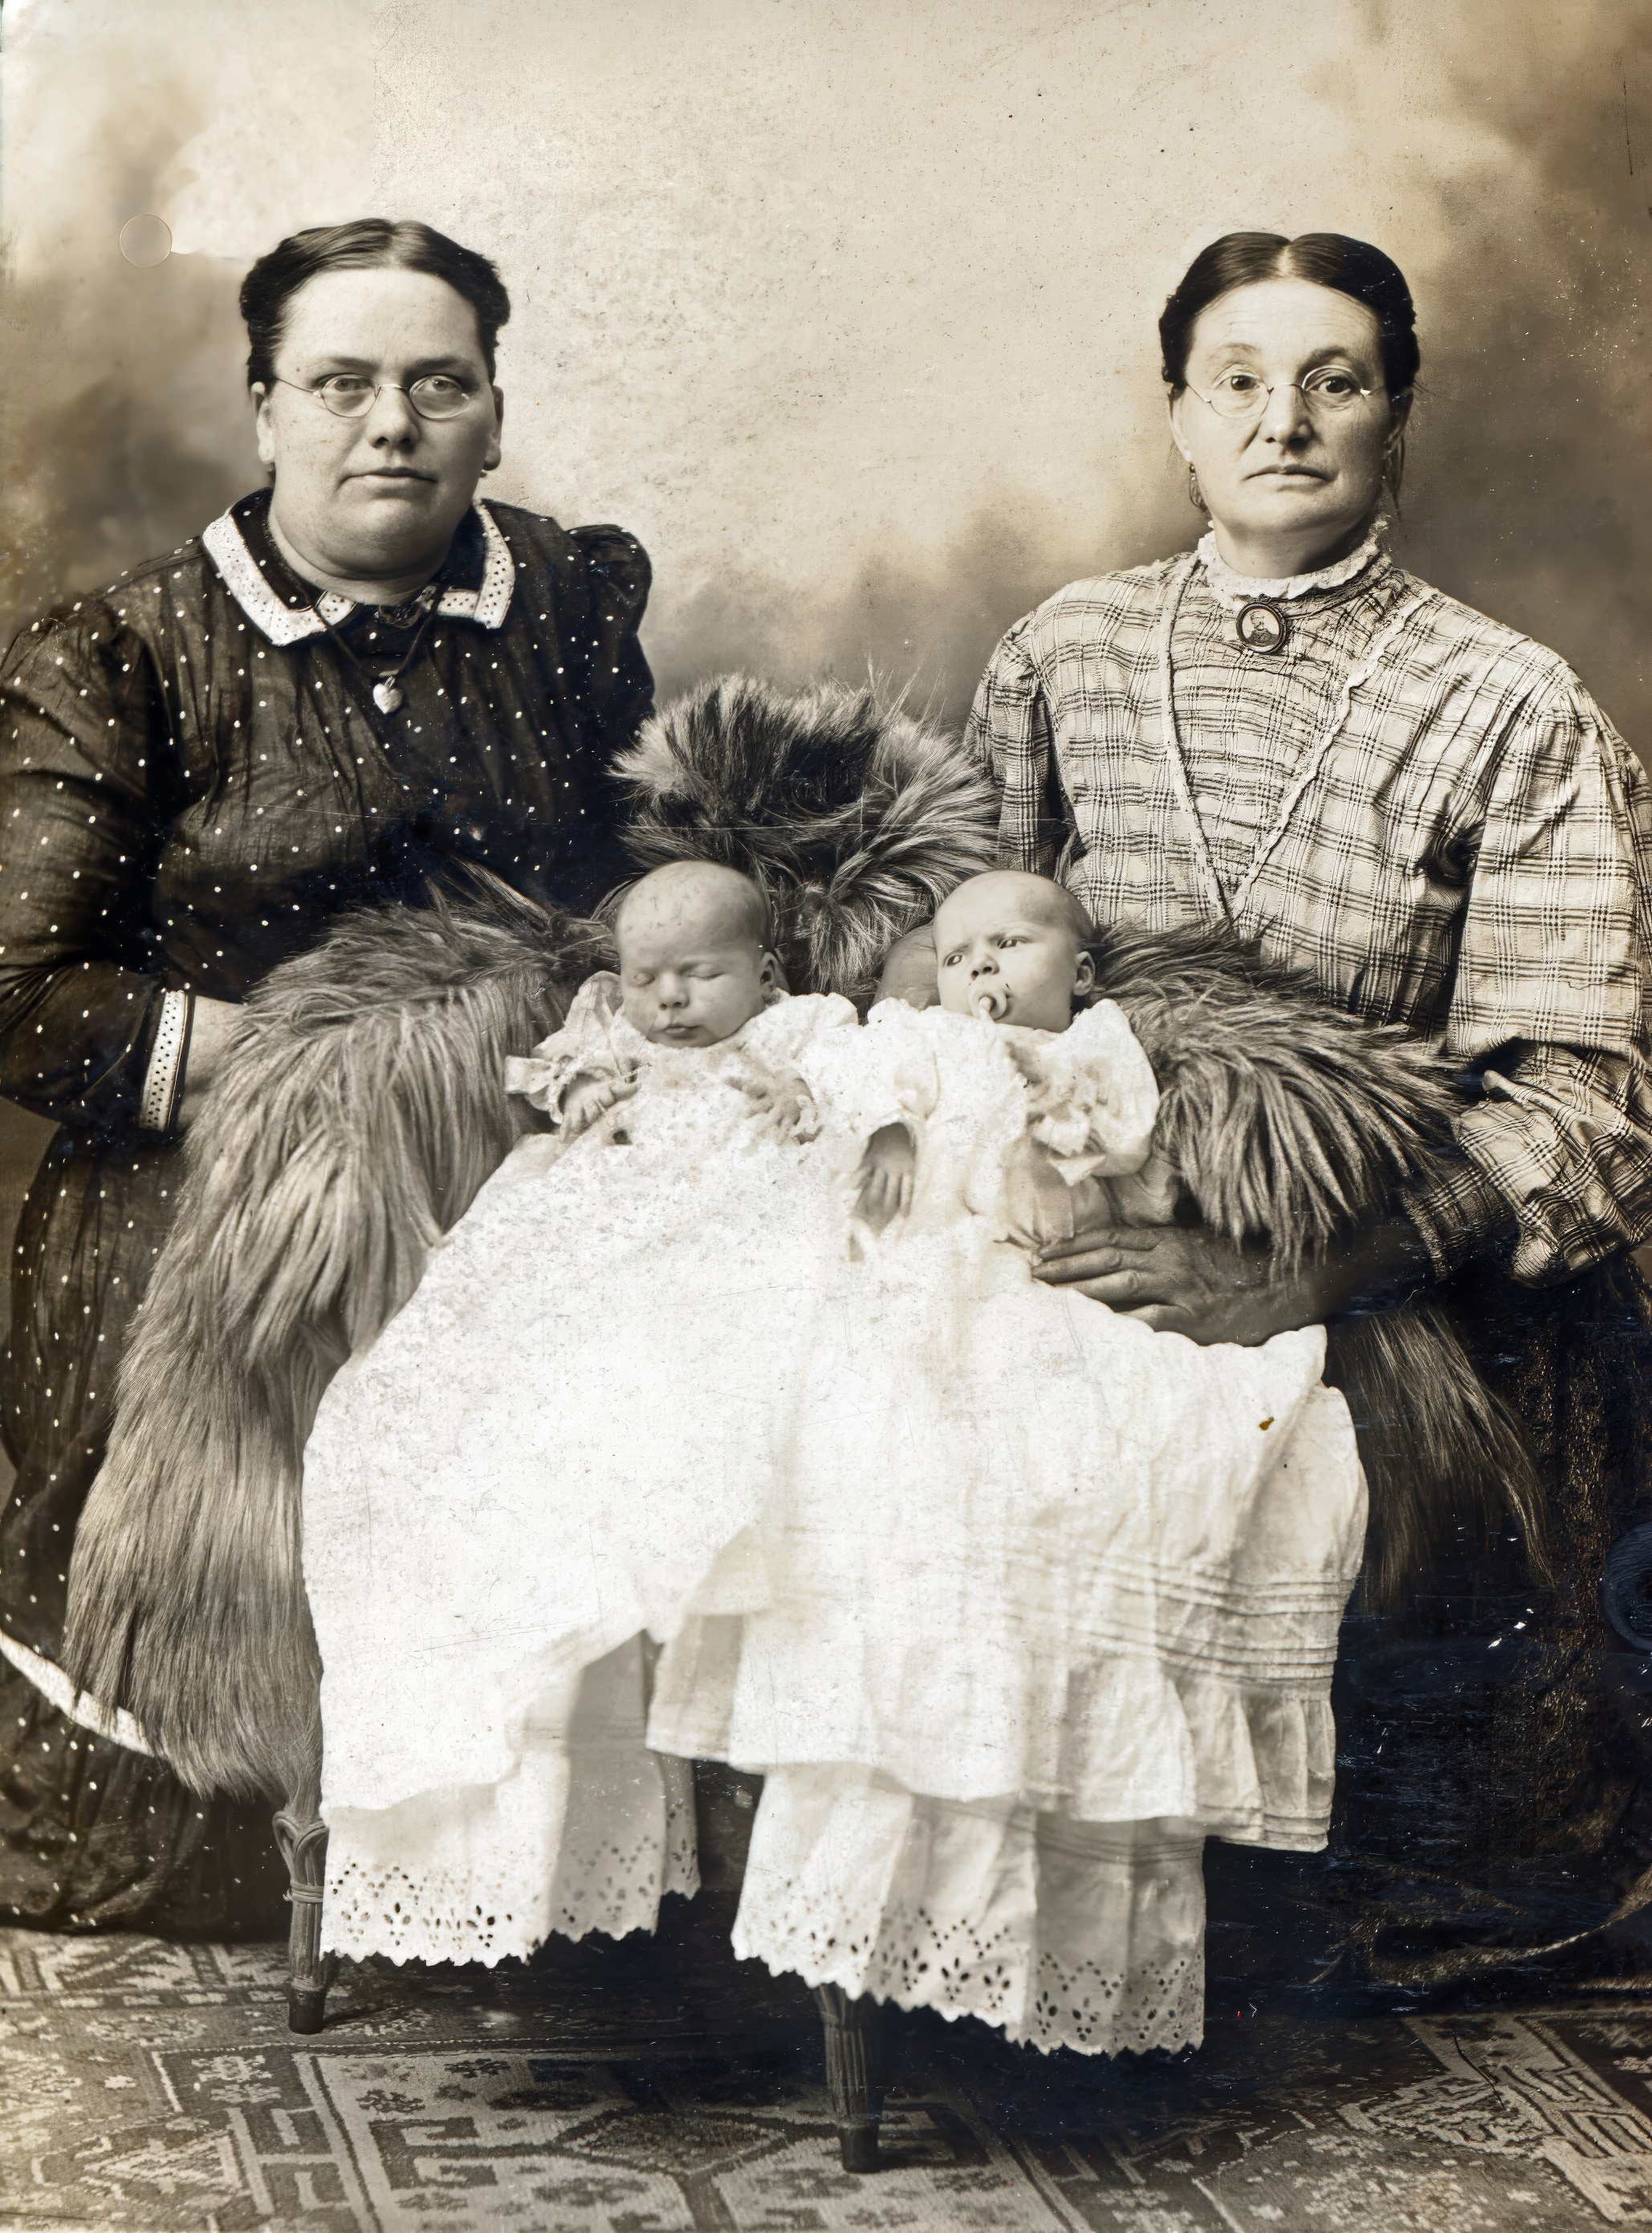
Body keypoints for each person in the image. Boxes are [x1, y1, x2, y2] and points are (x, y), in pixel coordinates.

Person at [300, 862, 1367, 2057]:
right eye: (957, 955)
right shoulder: (901, 1035)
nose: (980, 971)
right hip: (795, 1221)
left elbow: (1120, 1145)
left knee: (971, 1396)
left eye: (1009, 948)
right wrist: (869, 1119)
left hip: (1003, 1243)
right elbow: (858, 1100)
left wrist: (1046, 1106)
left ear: (1080, 970)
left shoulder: (1092, 1047)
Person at [933, 231, 1652, 1987]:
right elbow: (958, 963)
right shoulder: (1065, 652)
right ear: (1179, 415)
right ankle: (976, 1891)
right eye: (1239, 381)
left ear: (1395, 416)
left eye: (1335, 381)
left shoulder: (1509, 701)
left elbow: (1587, 1101)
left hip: (1387, 1256)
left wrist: (1307, 1277)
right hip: (1084, 1197)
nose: (1285, 422)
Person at [0, 217, 655, 1932]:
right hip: (218, 1169)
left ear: (493, 413)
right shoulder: (125, 650)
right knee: (179, 1812)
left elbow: (646, 889)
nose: (391, 425)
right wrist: (314, 1075)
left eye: (439, 384)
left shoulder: (569, 608)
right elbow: (19, 987)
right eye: (341, 383)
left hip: (531, 1144)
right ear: (266, 407)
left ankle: (536, 1847)